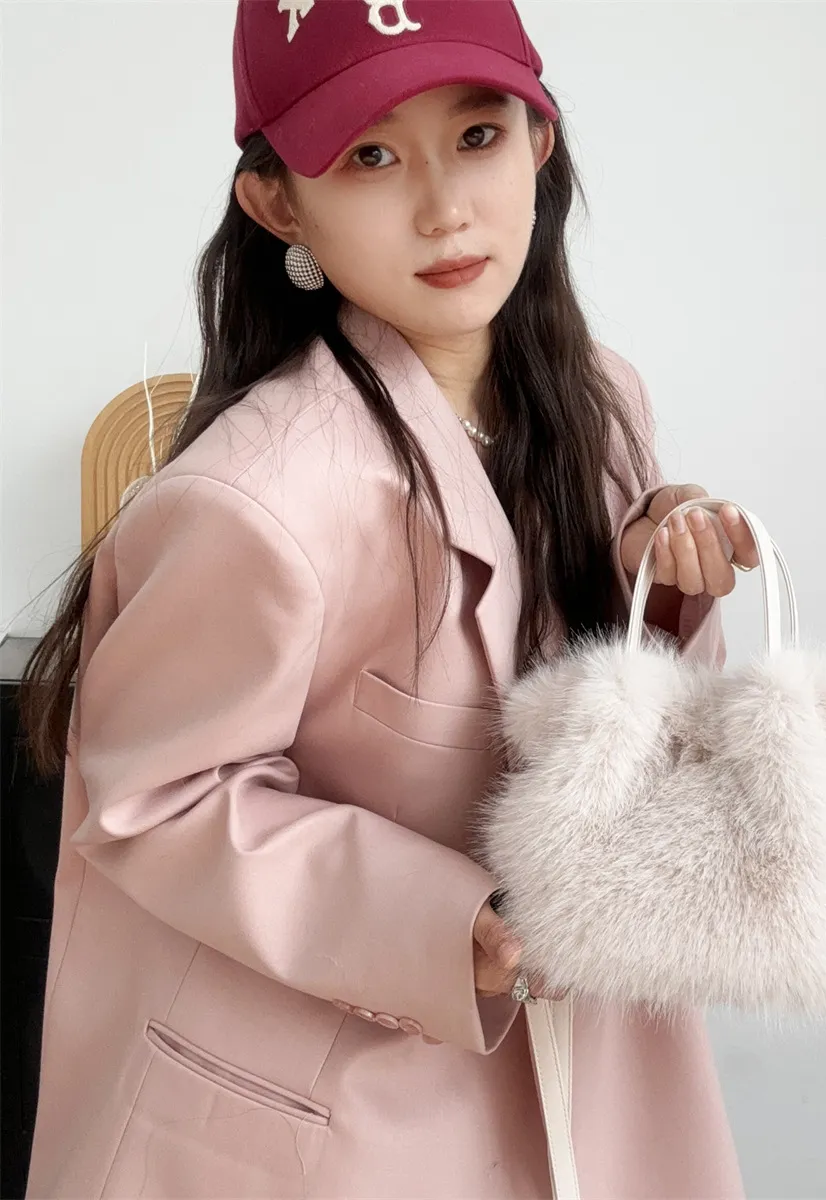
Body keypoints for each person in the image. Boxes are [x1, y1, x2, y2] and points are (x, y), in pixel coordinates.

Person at [18, 1, 760, 1195]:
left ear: (540, 143)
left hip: (592, 1061)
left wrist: (651, 587)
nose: (444, 207)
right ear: (279, 205)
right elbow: (154, 800)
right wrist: (445, 923)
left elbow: (619, 734)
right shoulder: (255, 499)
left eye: (477, 136)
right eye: (370, 156)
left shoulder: (602, 399)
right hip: (336, 1111)